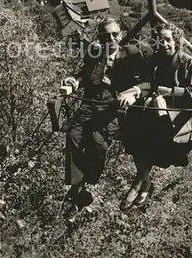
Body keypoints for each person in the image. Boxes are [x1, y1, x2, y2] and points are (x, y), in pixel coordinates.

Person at [120, 22, 192, 211]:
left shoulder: (187, 61)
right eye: (160, 40)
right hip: (160, 109)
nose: (164, 44)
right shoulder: (156, 60)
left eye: (168, 40)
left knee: (153, 133)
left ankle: (139, 184)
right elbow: (149, 83)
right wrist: (135, 91)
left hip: (184, 112)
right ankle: (145, 183)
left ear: (176, 41)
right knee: (135, 128)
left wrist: (171, 92)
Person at [62, 16, 149, 220]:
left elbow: (148, 81)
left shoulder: (132, 55)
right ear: (100, 38)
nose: (111, 38)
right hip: (92, 103)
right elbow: (84, 75)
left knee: (96, 140)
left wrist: (133, 91)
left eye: (114, 34)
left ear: (121, 34)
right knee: (73, 133)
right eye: (105, 35)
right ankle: (78, 191)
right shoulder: (95, 53)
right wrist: (74, 81)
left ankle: (88, 182)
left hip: (115, 107)